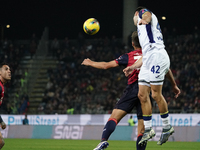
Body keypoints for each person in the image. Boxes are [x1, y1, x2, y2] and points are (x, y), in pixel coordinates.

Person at [123, 6, 181, 145]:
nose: (134, 20)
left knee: (155, 94)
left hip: (157, 56)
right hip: (149, 58)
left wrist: (142, 20)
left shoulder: (143, 14)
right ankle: (148, 129)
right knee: (142, 95)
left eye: (134, 17)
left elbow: (147, 15)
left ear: (136, 14)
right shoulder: (141, 32)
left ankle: (167, 126)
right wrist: (132, 67)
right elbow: (145, 55)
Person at [82, 31, 148, 150]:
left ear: (133, 43)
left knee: (114, 117)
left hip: (132, 89)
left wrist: (90, 63)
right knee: (142, 127)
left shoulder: (128, 56)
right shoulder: (150, 55)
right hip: (146, 91)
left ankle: (103, 141)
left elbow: (106, 65)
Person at [0, 62, 11, 149]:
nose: (9, 71)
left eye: (9, 69)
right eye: (6, 69)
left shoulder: (2, 86)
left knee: (1, 142)